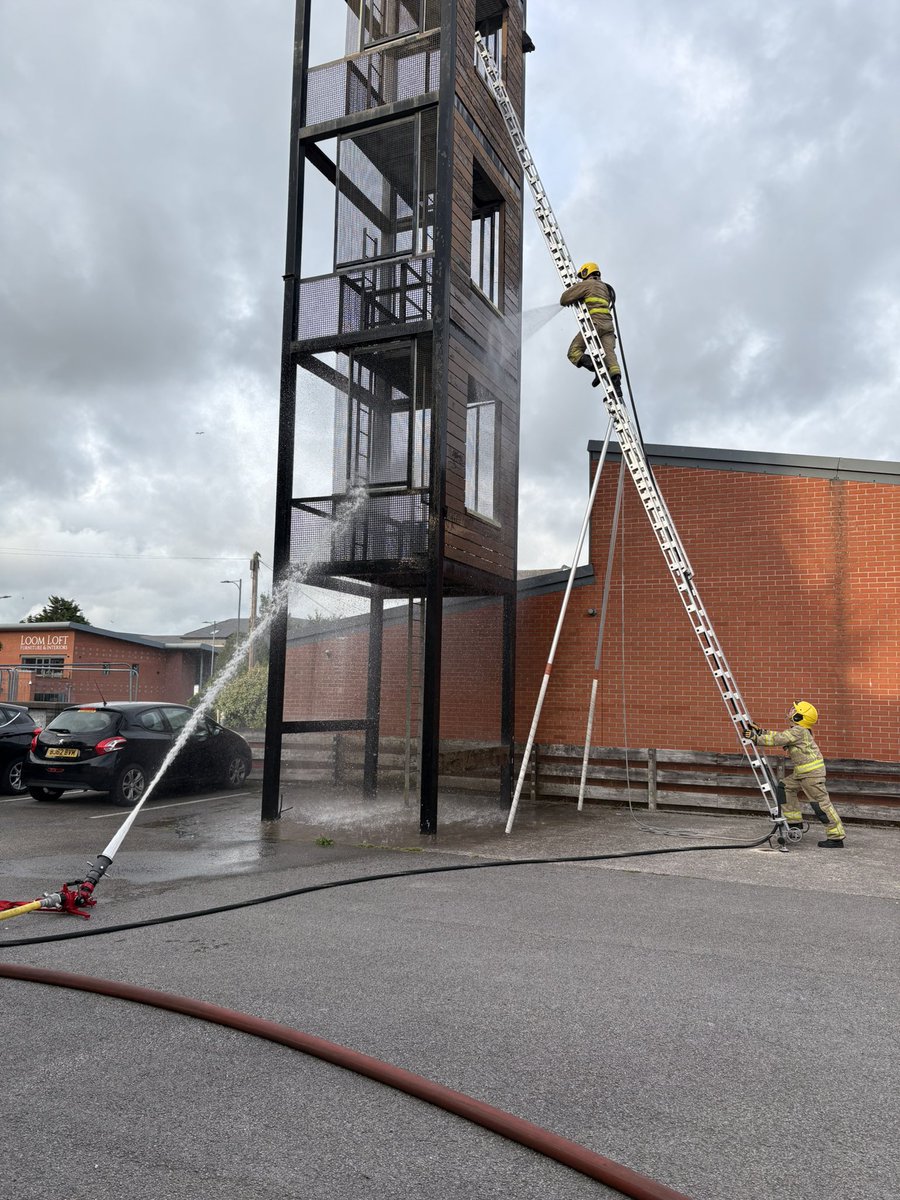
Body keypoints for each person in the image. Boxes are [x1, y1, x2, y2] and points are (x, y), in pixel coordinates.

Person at [746, 701, 846, 848]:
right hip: (802, 773)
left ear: (800, 717)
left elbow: (779, 739)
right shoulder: (797, 731)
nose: (791, 711)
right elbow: (782, 735)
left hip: (811, 775)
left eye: (795, 710)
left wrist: (756, 738)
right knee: (785, 787)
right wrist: (760, 732)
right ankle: (794, 824)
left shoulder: (799, 731)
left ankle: (836, 837)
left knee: (821, 804)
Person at [560, 262, 622, 396]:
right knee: (610, 355)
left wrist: (576, 290)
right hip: (609, 328)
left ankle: (596, 366)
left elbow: (564, 299)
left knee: (574, 351)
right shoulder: (605, 288)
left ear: (586, 273)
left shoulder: (587, 284)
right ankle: (616, 385)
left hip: (595, 324)